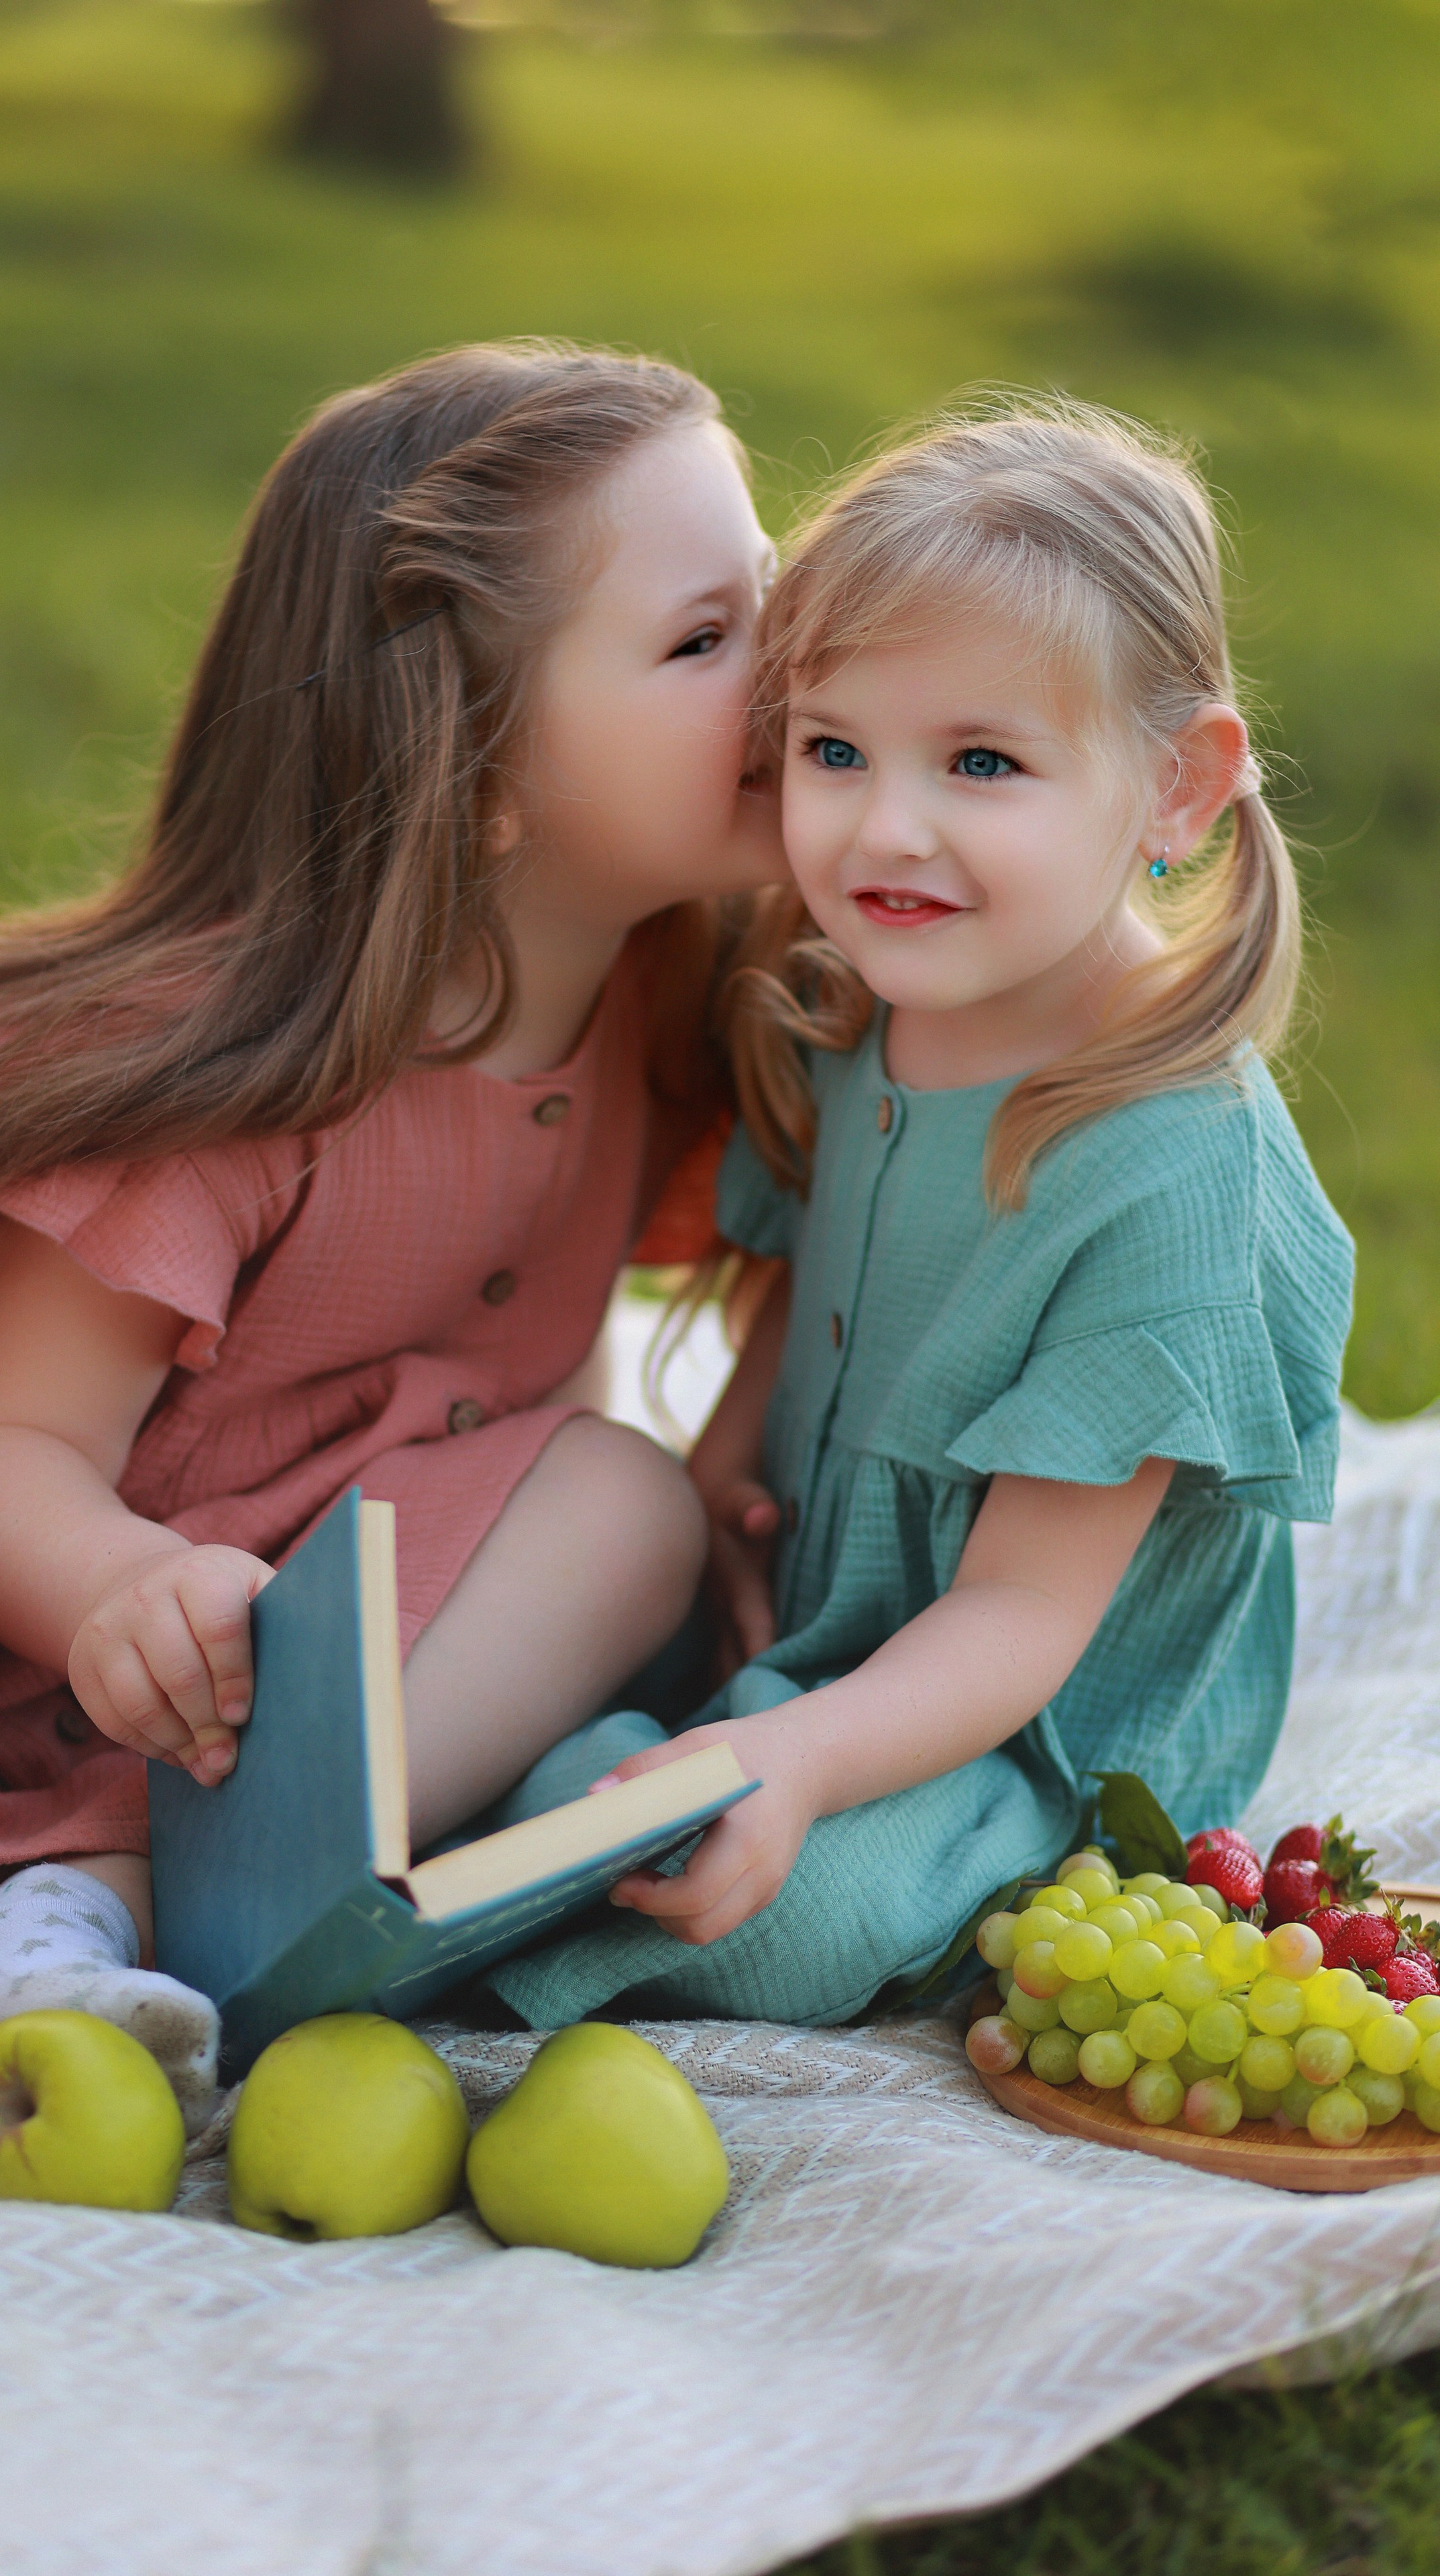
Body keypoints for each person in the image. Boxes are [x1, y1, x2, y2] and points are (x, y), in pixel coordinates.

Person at [0, 340, 785, 2117]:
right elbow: (0, 1449)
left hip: (251, 1629)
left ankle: (109, 1897)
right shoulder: (222, 1075)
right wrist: (113, 1586)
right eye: (704, 640)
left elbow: (601, 1356)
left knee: (628, 1502)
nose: (789, 666)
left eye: (774, 598)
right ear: (482, 773)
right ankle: (104, 1871)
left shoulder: (676, 990)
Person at [489, 397, 1353, 2033]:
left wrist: (796, 1757)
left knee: (780, 1922)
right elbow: (797, 1290)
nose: (885, 829)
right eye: (832, 750)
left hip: (1022, 1735)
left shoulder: (1165, 1166)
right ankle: (493, 1885)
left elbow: (1023, 1613)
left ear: (1175, 787)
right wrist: (732, 1463)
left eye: (978, 762)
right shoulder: (853, 1002)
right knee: (572, 1763)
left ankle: (475, 1979)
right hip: (824, 1626)